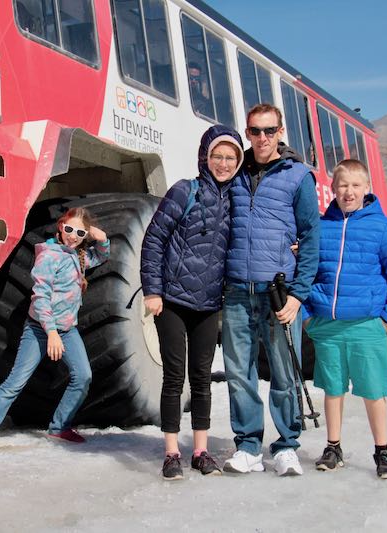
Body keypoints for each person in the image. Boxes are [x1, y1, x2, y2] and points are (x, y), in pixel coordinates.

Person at [0, 208, 109, 452]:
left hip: (67, 330)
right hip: (40, 329)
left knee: (83, 376)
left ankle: (59, 427)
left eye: (80, 232)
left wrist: (102, 238)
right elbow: (41, 298)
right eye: (69, 229)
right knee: (16, 382)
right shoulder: (49, 256)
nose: (73, 235)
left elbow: (100, 256)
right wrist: (52, 333)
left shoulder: (77, 256)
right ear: (61, 226)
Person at [222, 103, 320, 476]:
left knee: (283, 373)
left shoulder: (298, 176)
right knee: (238, 372)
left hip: (278, 293)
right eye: (254, 131)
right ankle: (247, 446)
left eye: (268, 131)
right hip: (235, 291)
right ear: (247, 133)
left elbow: (311, 237)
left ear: (280, 132)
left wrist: (298, 295)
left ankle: (286, 446)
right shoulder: (235, 174)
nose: (261, 138)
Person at [141, 125, 244, 480]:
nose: (224, 163)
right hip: (171, 299)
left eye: (231, 157)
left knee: (201, 379)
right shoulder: (184, 191)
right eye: (218, 156)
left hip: (208, 303)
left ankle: (200, 451)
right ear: (205, 156)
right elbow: (154, 239)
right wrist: (152, 291)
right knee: (174, 378)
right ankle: (171, 453)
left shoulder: (238, 202)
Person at [303, 159, 387, 479]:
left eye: (355, 186)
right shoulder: (322, 228)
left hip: (367, 325)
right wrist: (310, 318)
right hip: (328, 326)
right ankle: (333, 447)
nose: (348, 192)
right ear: (332, 189)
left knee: (372, 389)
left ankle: (382, 451)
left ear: (367, 189)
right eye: (342, 185)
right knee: (332, 389)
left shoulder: (382, 228)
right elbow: (306, 274)